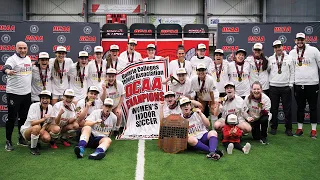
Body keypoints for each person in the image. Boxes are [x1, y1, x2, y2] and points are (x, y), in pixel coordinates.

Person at [289, 32, 320, 138]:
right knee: (300, 107)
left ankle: (313, 130)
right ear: (295, 41)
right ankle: (300, 129)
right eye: (298, 39)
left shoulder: (313, 50)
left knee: (313, 107)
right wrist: (292, 82)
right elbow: (290, 69)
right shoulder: (292, 53)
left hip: (312, 83)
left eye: (302, 39)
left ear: (305, 40)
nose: (300, 41)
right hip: (298, 84)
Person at [2, 41, 32, 150]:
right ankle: (8, 141)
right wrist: (8, 71)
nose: (23, 50)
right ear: (16, 49)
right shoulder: (12, 59)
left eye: (24, 48)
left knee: (23, 117)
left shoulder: (28, 59)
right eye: (20, 48)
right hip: (14, 94)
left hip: (26, 94)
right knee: (11, 118)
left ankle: (21, 138)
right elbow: (5, 67)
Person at [20, 90, 61, 155]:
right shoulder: (33, 106)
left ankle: (47, 142)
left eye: (47, 98)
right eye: (43, 98)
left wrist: (43, 129)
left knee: (48, 137)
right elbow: (32, 123)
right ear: (40, 100)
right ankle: (33, 147)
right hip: (28, 129)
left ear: (50, 100)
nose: (45, 100)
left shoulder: (50, 107)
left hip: (41, 128)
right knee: (36, 127)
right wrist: (44, 119)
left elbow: (49, 122)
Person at [268, 40, 294, 136]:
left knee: (287, 109)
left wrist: (290, 84)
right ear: (274, 48)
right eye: (275, 47)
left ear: (283, 47)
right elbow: (267, 71)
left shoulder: (289, 58)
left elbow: (292, 72)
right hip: (274, 86)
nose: (278, 48)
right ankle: (274, 127)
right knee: (274, 109)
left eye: (279, 46)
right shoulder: (270, 59)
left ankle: (288, 128)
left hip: (285, 86)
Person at [101, 68, 125, 136]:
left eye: (113, 76)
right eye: (109, 76)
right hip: (105, 106)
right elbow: (102, 100)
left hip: (114, 106)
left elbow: (122, 95)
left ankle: (116, 129)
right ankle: (103, 129)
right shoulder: (102, 85)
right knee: (103, 114)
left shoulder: (119, 84)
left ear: (115, 77)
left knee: (119, 113)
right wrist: (104, 90)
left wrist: (118, 107)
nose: (111, 78)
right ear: (106, 76)